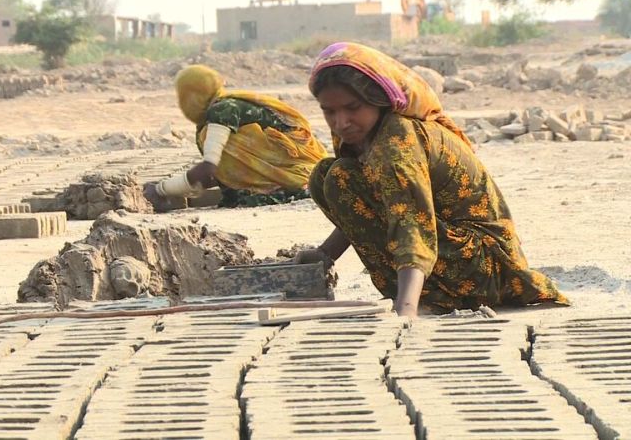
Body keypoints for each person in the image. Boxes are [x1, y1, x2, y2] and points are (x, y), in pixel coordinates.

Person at [296, 42, 569, 318]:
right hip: (450, 254)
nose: (341, 122)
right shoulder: (359, 135)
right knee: (325, 174)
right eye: (329, 111)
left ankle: (427, 297)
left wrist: (406, 311)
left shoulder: (397, 141)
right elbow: (367, 205)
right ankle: (427, 294)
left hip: (486, 267)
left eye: (352, 108)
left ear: (377, 100)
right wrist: (325, 254)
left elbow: (411, 222)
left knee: (340, 178)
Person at [143, 65, 328, 209]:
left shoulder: (223, 109)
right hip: (301, 170)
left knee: (245, 199)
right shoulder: (219, 111)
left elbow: (209, 168)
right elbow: (214, 176)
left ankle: (291, 190)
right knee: (233, 196)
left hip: (298, 174)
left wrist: (161, 189)